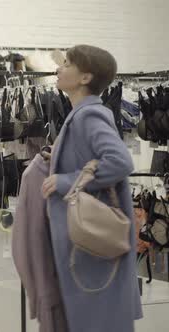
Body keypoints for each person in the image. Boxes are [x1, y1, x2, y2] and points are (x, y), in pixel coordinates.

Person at [41, 45, 142, 332]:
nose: (59, 68)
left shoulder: (89, 115)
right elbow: (92, 159)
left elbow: (120, 161)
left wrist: (64, 180)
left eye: (67, 64)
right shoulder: (81, 114)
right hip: (87, 241)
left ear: (85, 77)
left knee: (95, 319)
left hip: (91, 243)